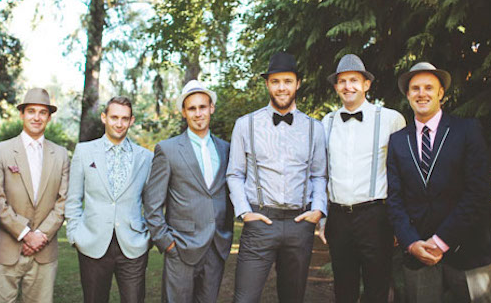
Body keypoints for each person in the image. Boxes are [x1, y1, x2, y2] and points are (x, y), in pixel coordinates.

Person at [387, 62, 491, 302]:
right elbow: (395, 200)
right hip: (418, 255)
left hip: (468, 251)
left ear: (441, 93)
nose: (421, 93)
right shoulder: (397, 141)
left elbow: (477, 192)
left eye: (428, 87)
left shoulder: (467, 130)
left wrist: (440, 241)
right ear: (407, 94)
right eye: (415, 88)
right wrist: (412, 243)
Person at [227, 51, 328, 302]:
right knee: (244, 299)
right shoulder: (245, 125)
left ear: (297, 84)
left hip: (299, 224)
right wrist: (244, 212)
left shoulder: (315, 128)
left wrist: (317, 210)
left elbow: (319, 175)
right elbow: (235, 173)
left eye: (287, 81)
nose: (281, 87)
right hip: (260, 222)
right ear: (267, 84)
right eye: (275, 81)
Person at [322, 54, 406, 303]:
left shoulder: (391, 120)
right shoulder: (325, 124)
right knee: (343, 289)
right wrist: (322, 219)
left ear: (366, 84)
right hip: (338, 217)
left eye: (354, 80)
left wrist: (398, 221)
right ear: (337, 87)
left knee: (377, 288)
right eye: (342, 81)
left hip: (375, 217)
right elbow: (321, 173)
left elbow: (402, 174)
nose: (348, 86)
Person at [143, 80, 234, 303]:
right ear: (184, 112)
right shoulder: (168, 149)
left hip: (216, 246)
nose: (198, 113)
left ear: (211, 108)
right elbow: (152, 204)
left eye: (202, 107)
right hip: (180, 247)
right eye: (192, 108)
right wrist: (167, 243)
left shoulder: (226, 148)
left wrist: (226, 236)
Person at [0, 88, 70, 303]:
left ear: (49, 117)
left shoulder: (60, 154)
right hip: (5, 251)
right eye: (31, 111)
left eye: (42, 112)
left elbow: (64, 201)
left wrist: (41, 235)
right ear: (22, 114)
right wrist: (25, 233)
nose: (36, 117)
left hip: (44, 253)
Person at [66, 96, 153, 303]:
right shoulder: (84, 152)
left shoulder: (146, 157)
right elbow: (73, 198)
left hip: (133, 245)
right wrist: (74, 235)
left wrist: (148, 235)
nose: (119, 123)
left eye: (125, 118)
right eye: (114, 117)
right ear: (104, 118)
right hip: (92, 243)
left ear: (131, 121)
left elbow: (152, 203)